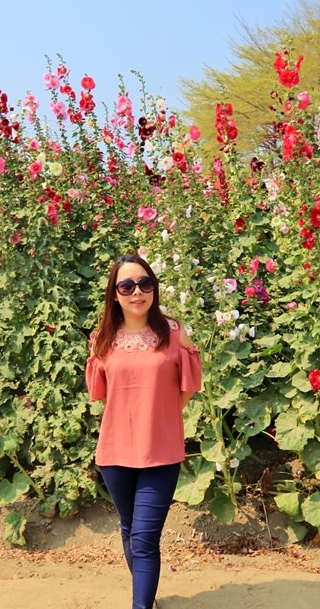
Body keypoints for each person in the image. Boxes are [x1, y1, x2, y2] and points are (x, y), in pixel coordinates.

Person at [86, 254, 202, 609]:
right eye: (126, 285)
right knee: (129, 529)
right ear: (115, 295)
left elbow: (189, 385)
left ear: (154, 288)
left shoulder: (174, 332)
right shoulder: (102, 339)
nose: (137, 292)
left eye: (145, 283)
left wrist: (162, 419)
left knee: (145, 538)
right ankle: (147, 599)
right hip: (115, 452)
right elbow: (100, 394)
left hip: (161, 451)